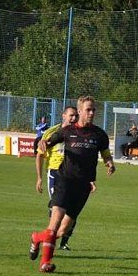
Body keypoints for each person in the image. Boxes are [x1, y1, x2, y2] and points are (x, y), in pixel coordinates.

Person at [29, 96, 116, 273]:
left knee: (61, 232)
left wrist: (109, 163)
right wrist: (44, 142)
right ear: (80, 111)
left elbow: (105, 154)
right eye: (88, 110)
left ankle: (37, 238)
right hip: (64, 182)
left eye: (93, 110)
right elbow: (47, 142)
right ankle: (45, 263)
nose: (91, 113)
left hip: (83, 187)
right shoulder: (67, 131)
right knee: (54, 224)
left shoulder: (100, 135)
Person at [34, 106, 81, 251]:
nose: (74, 119)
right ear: (64, 116)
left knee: (72, 211)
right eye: (71, 116)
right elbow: (40, 155)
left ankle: (62, 243)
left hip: (74, 175)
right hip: (55, 173)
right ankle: (49, 239)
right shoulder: (51, 132)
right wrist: (39, 178)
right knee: (58, 208)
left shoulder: (80, 133)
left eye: (76, 116)